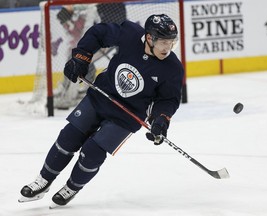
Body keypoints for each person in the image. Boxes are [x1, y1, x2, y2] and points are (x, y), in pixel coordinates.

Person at [18, 14, 184, 207]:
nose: (168, 47)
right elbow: (98, 33)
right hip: (100, 97)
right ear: (149, 38)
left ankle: (72, 187)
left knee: (92, 152)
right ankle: (44, 180)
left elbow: (168, 100)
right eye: (163, 42)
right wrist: (80, 58)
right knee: (68, 138)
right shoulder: (130, 34)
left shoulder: (173, 68)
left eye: (172, 42)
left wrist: (161, 120)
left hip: (126, 117)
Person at [54, 3, 127, 109]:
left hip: (109, 39)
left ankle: (86, 91)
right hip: (103, 36)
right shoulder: (101, 7)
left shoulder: (114, 7)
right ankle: (67, 90)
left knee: (84, 57)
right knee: (76, 56)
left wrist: (72, 7)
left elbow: (116, 26)